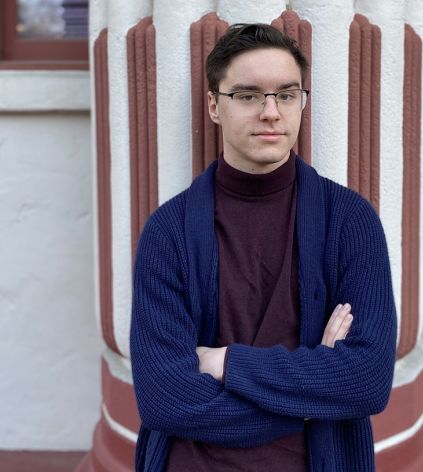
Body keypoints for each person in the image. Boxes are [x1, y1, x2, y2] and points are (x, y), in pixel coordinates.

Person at [130, 23, 397, 472]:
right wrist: (311, 402)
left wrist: (226, 362)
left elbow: (366, 382)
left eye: (287, 95)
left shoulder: (351, 222)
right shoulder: (168, 232)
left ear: (301, 103)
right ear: (215, 105)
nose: (271, 112)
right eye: (249, 95)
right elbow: (165, 401)